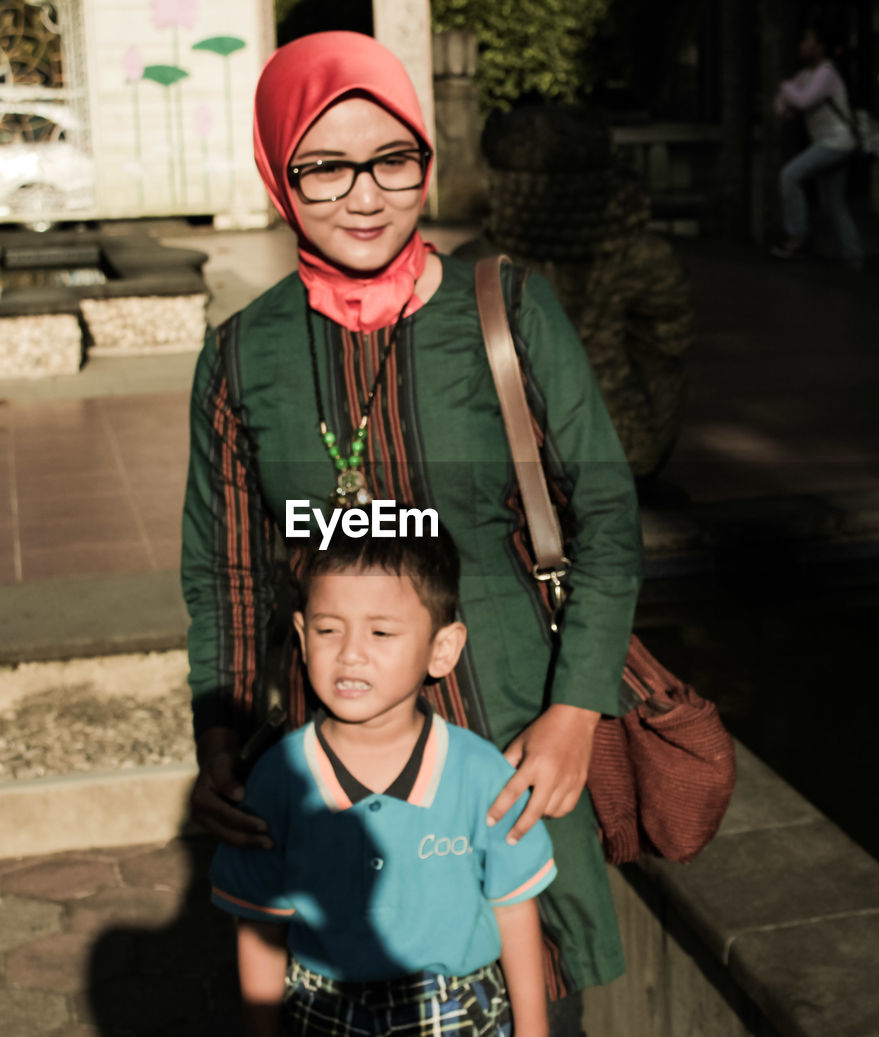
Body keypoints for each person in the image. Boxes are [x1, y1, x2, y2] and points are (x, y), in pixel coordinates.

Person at [181, 30, 642, 1036]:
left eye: (394, 158)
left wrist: (574, 710)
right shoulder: (239, 354)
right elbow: (224, 564)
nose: (365, 192)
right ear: (275, 172)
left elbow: (604, 513)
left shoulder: (508, 308)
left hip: (509, 732)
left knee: (536, 998)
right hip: (327, 750)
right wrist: (219, 733)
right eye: (324, 164)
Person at [212, 528, 556, 1036]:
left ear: (443, 648)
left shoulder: (481, 774)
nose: (351, 654)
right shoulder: (280, 778)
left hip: (458, 1010)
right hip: (322, 1011)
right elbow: (260, 925)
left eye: (381, 633)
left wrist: (533, 1031)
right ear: (303, 639)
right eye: (329, 631)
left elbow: (514, 911)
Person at [771, 24, 865, 269]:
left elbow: (801, 100)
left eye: (807, 41)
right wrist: (788, 97)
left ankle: (797, 237)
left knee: (790, 175)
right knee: (834, 203)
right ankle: (854, 254)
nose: (802, 46)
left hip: (836, 142)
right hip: (831, 143)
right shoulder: (806, 76)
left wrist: (784, 88)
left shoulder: (826, 73)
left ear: (820, 48)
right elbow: (783, 109)